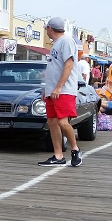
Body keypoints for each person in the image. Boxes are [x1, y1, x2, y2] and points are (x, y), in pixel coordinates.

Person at [38, 17, 82, 167]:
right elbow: (53, 69)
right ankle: (58, 155)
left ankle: (75, 149)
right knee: (52, 122)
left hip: (64, 90)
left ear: (51, 28)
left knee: (63, 121)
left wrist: (58, 87)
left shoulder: (66, 41)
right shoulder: (56, 44)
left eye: (46, 28)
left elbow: (69, 64)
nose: (46, 31)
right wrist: (47, 89)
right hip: (53, 91)